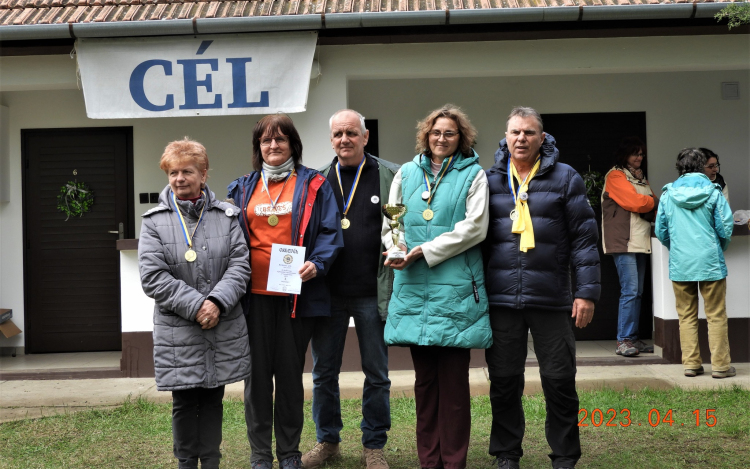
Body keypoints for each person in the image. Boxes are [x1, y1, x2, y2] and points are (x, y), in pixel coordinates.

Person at [484, 107, 600, 469]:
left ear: (542, 138)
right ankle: (506, 453)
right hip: (501, 298)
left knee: (559, 380)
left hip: (552, 297)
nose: (521, 138)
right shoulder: (489, 180)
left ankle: (564, 456)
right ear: (505, 137)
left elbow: (584, 239)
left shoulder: (565, 177)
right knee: (504, 381)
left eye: (529, 132)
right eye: (515, 132)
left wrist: (586, 293)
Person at [227, 114, 344, 469]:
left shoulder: (315, 185)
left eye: (280, 139)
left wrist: (318, 264)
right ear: (258, 147)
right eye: (266, 140)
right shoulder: (241, 188)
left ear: (293, 144)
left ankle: (289, 453)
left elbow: (330, 232)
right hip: (253, 298)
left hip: (297, 297)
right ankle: (261, 454)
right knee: (256, 378)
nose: (273, 145)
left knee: (290, 377)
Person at [382, 104, 491, 469]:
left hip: (455, 292)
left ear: (461, 138)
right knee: (425, 384)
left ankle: (454, 461)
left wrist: (424, 251)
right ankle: (429, 462)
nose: (441, 138)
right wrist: (396, 248)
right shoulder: (407, 173)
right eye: (435, 132)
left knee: (455, 387)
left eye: (449, 133)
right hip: (415, 290)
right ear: (425, 136)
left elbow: (475, 227)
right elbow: (393, 220)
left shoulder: (473, 174)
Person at [139, 138, 252, 469]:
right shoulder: (154, 221)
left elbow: (240, 266)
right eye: (172, 173)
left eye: (187, 171)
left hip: (221, 323)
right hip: (179, 328)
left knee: (213, 398)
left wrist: (216, 302)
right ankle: (187, 463)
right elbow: (153, 277)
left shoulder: (227, 217)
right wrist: (198, 306)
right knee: (185, 401)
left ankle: (212, 462)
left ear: (203, 174)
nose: (179, 179)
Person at [303, 109, 399, 469]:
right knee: (324, 372)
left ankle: (373, 445)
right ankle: (327, 440)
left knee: (377, 373)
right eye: (338, 134)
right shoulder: (316, 181)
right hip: (327, 294)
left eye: (351, 133)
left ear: (365, 136)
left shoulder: (390, 175)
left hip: (373, 292)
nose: (344, 139)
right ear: (331, 140)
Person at [655, 148, 735, 379]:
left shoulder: (668, 194)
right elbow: (725, 227)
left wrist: (676, 248)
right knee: (716, 315)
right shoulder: (714, 191)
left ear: (679, 167)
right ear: (701, 166)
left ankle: (691, 365)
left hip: (681, 263)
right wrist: (717, 247)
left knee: (686, 316)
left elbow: (661, 231)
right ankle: (720, 367)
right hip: (710, 261)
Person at [601, 136, 657, 357]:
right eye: (635, 153)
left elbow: (650, 204)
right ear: (624, 155)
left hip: (640, 240)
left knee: (638, 292)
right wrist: (652, 201)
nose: (639, 157)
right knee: (630, 291)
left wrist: (650, 203)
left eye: (641, 154)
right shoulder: (616, 175)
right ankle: (623, 340)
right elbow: (637, 202)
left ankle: (632, 338)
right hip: (623, 241)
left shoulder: (640, 178)